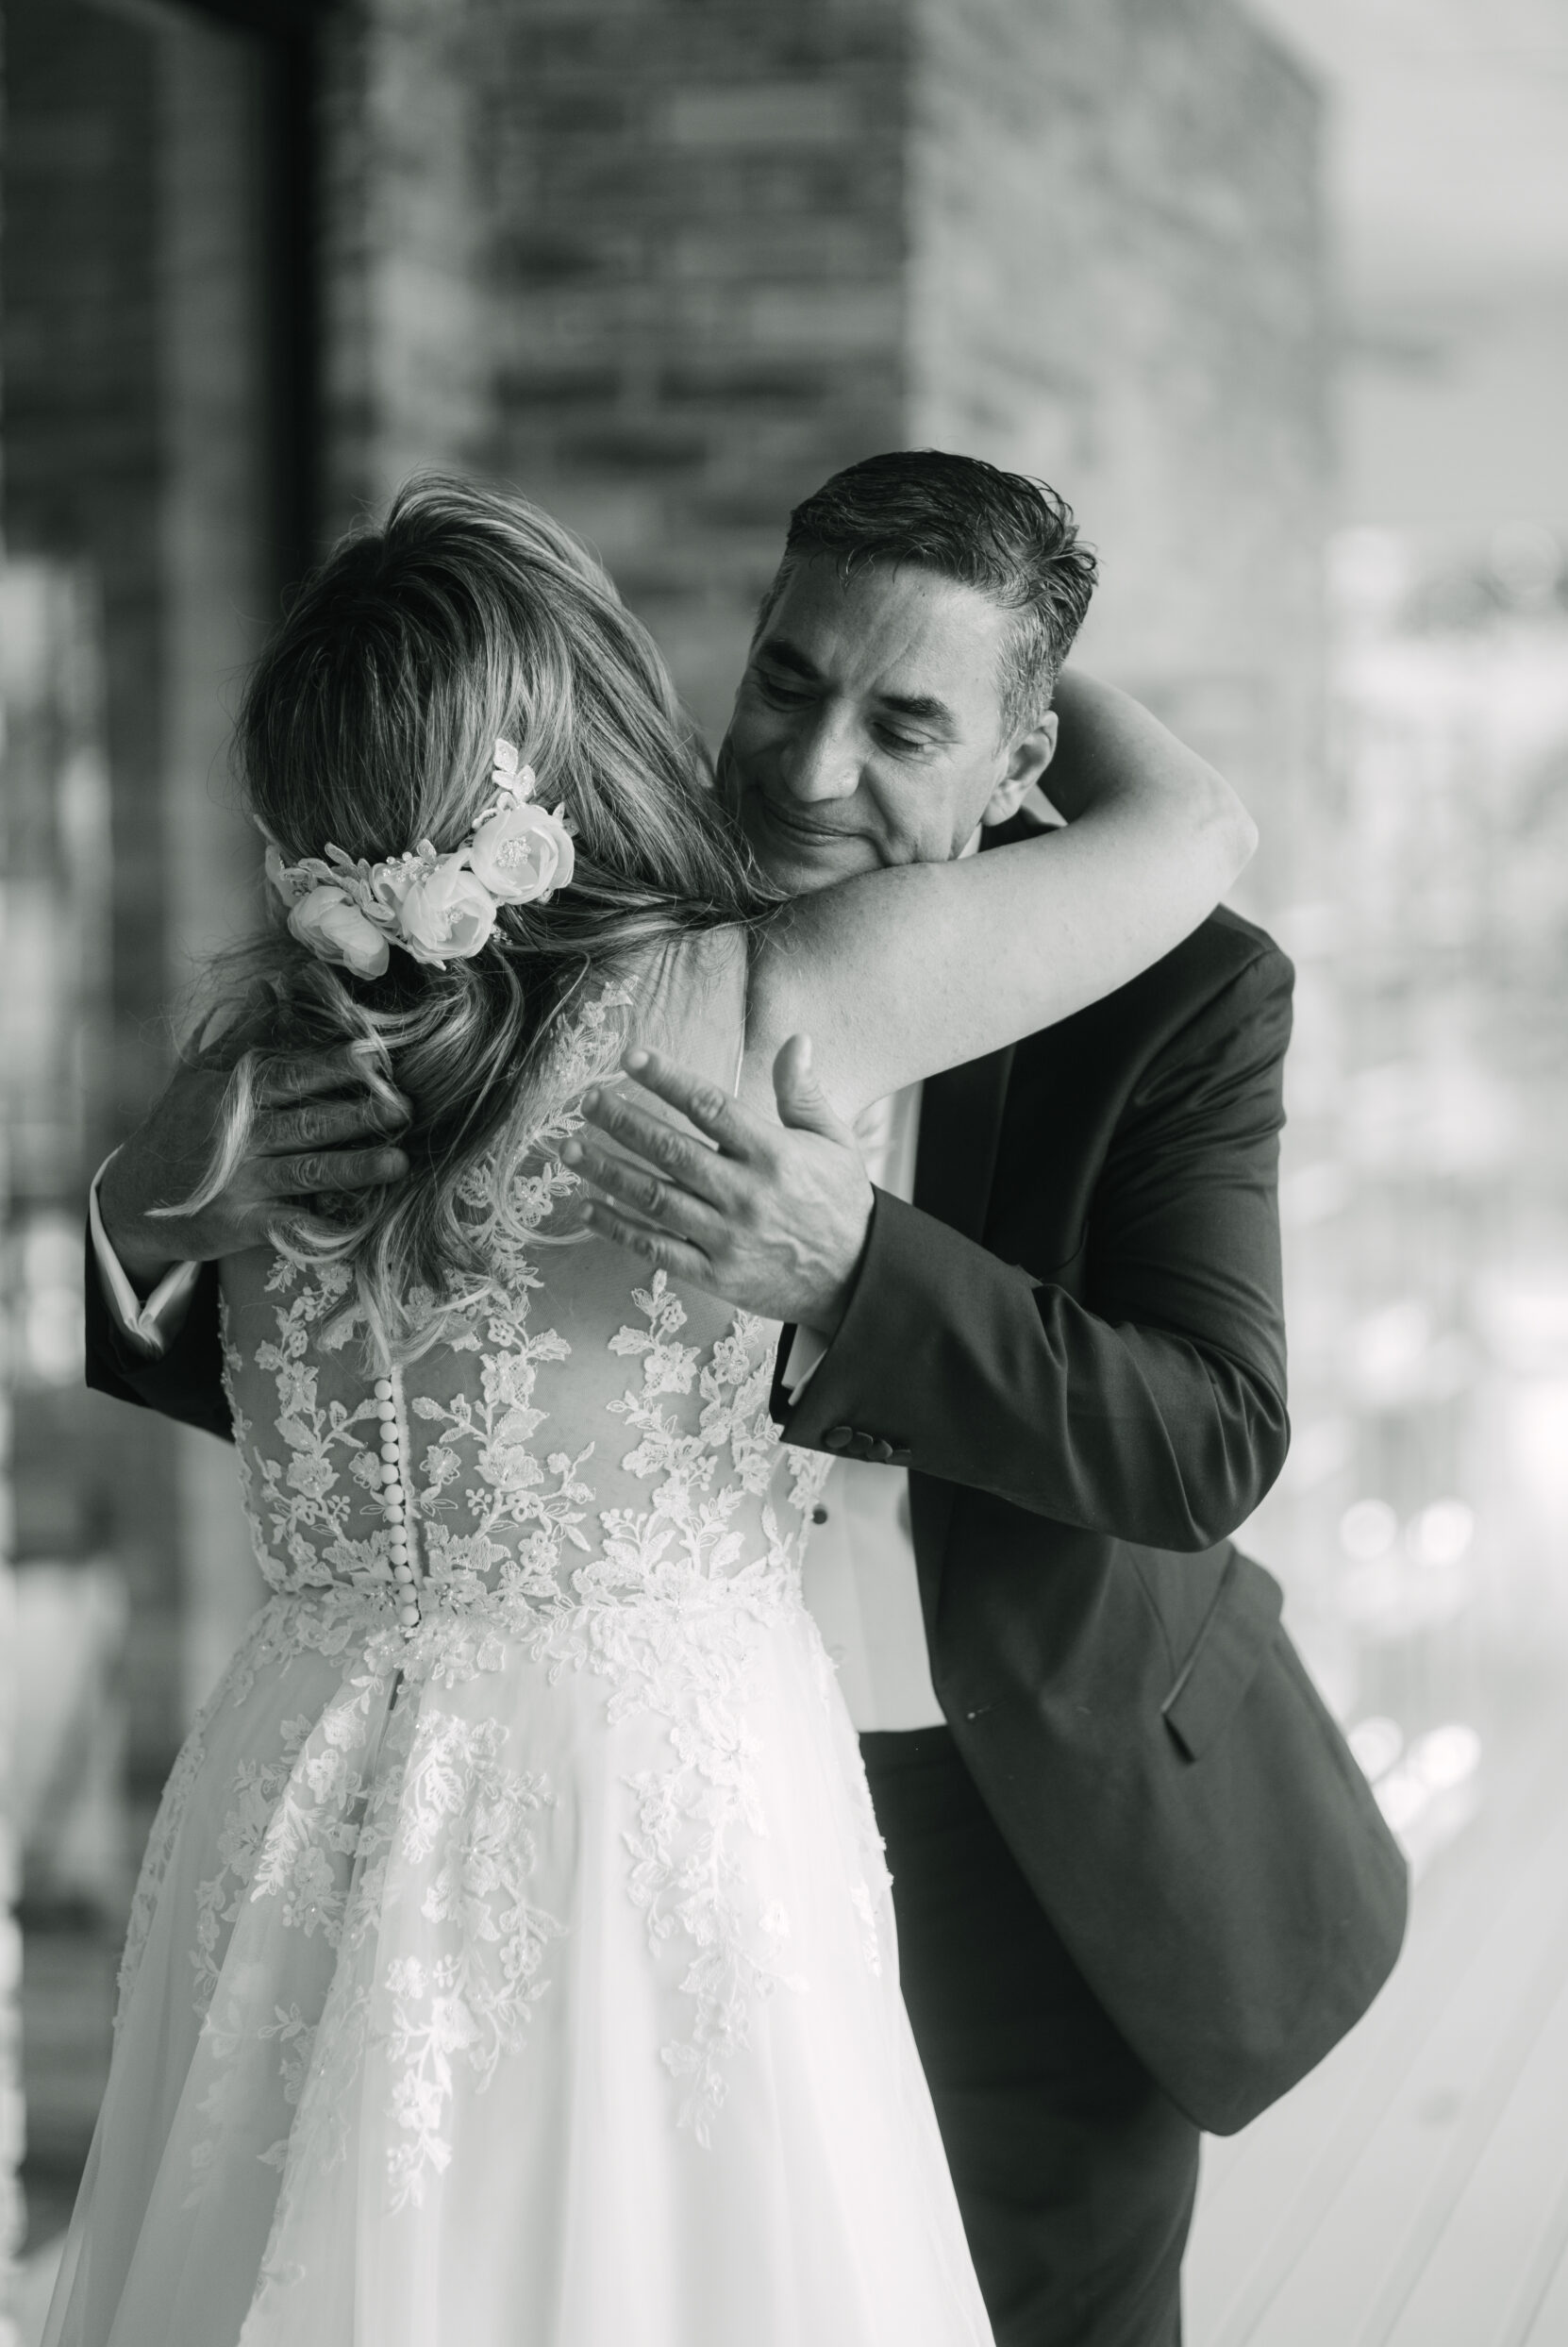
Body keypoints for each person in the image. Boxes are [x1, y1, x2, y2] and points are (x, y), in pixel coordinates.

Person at [60, 464, 1255, 2347]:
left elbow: (1207, 1429)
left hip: (373, 1786)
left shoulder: (266, 1048)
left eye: (906, 717)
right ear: (616, 713)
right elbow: (1194, 820)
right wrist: (130, 1212)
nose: (807, 760)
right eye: (784, 679)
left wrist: (1000, 645)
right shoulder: (755, 986)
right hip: (658, 1803)